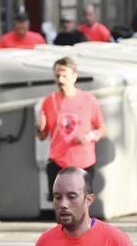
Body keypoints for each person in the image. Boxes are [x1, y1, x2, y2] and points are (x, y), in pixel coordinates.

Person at [37, 58, 105, 200]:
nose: (60, 80)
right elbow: (43, 136)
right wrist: (39, 128)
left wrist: (90, 136)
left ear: (74, 76)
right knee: (61, 208)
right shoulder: (49, 101)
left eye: (64, 76)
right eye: (57, 76)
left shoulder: (88, 99)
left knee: (81, 206)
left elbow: (102, 129)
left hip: (83, 163)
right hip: (58, 163)